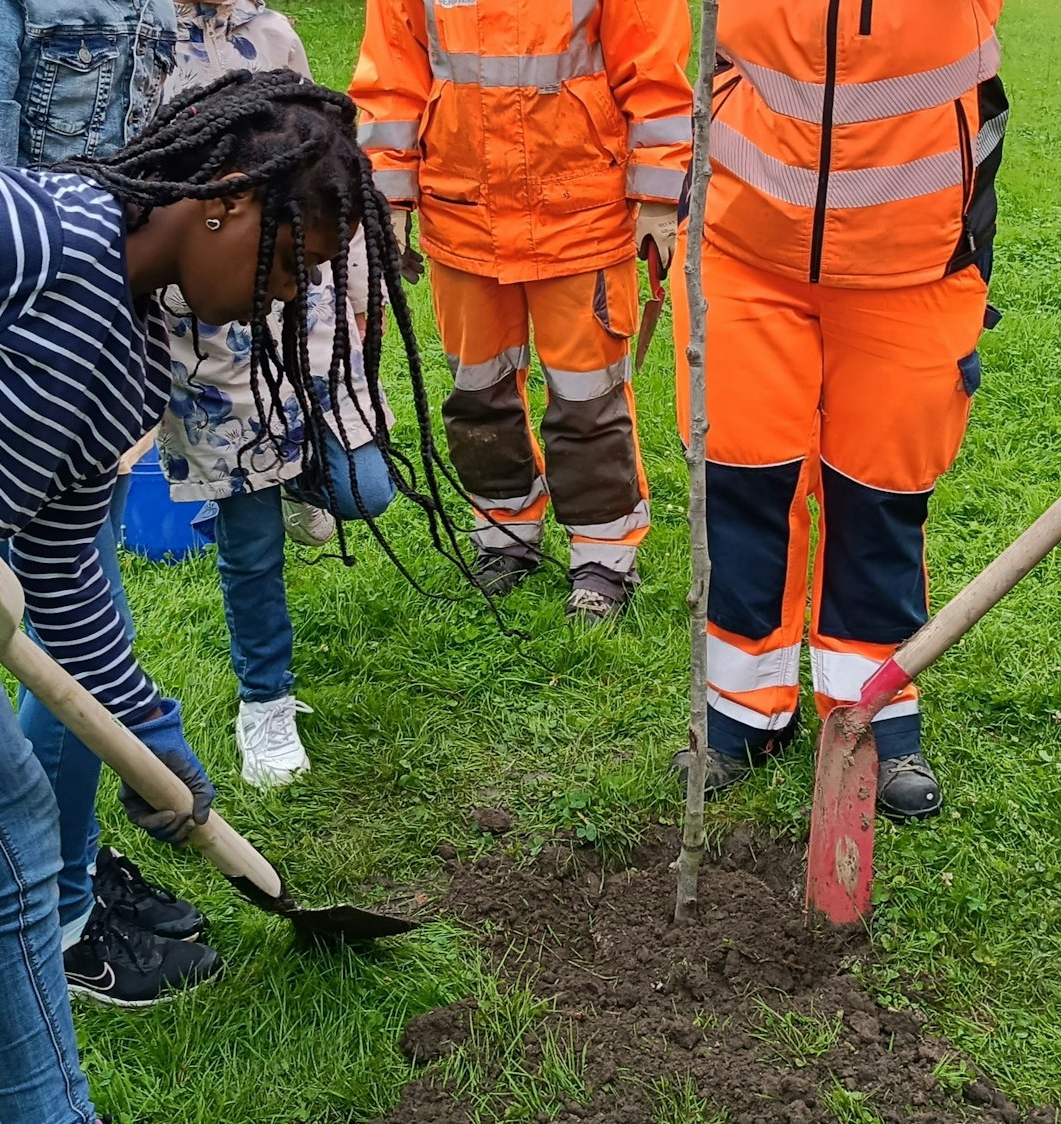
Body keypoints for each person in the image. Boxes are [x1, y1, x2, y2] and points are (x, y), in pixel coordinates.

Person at [0, 69, 442, 1122]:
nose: (285, 298)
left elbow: (64, 567)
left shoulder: (129, 359)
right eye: (291, 263)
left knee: (23, 860)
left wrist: (146, 722)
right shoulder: (27, 227)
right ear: (228, 199)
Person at [0, 0, 219, 1005]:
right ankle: (57, 918)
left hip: (101, 328)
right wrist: (34, 368)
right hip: (15, 357)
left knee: (73, 605)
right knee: (56, 623)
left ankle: (66, 873)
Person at [669, 0, 1008, 819]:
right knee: (745, 485)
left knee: (879, 499)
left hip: (915, 266)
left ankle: (874, 714)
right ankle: (740, 714)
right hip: (742, 247)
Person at [351, 0, 692, 621]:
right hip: (462, 210)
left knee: (588, 400)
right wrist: (388, 199)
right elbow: (392, 76)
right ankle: (502, 534)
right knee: (477, 390)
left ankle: (603, 556)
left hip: (581, 208)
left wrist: (660, 196)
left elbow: (655, 72)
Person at [156, 0, 398, 789]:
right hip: (209, 340)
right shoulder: (138, 43)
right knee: (250, 546)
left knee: (364, 491)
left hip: (303, 322)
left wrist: (360, 288)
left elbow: (328, 167)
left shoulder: (275, 33)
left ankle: (296, 475)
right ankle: (266, 699)